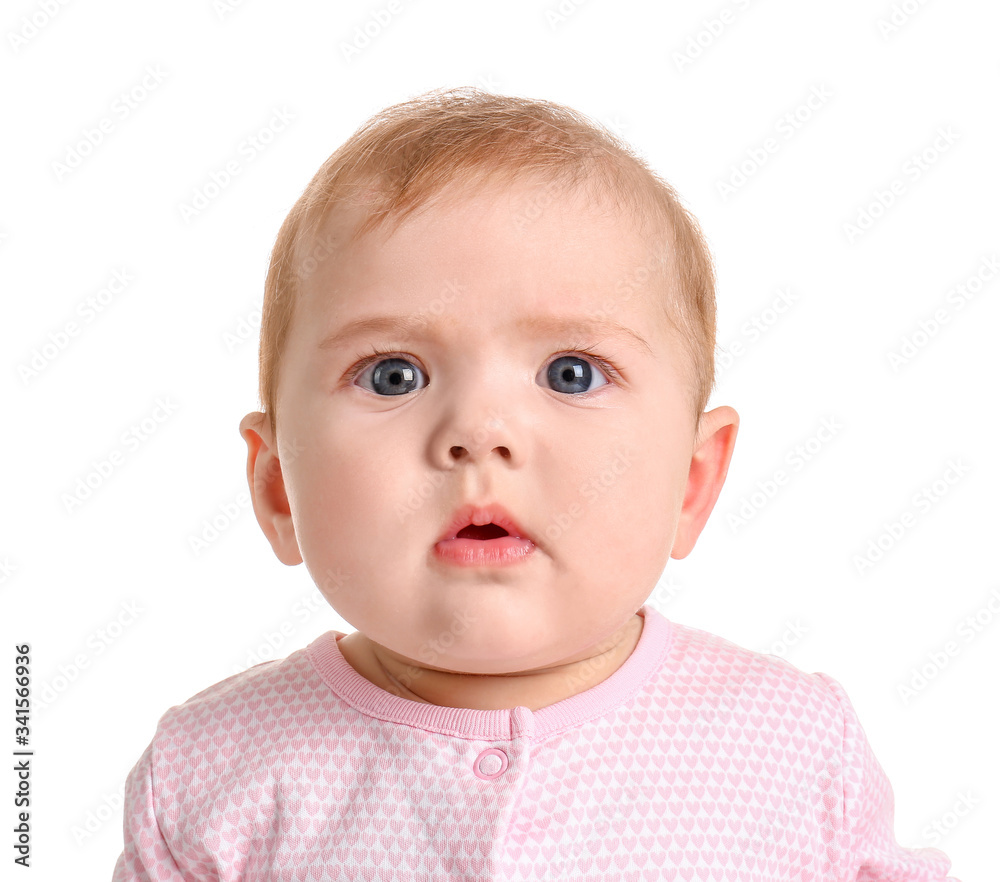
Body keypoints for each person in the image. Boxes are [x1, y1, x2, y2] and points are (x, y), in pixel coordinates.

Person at [113, 87, 958, 880]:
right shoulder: (211, 777)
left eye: (571, 372)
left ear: (693, 481)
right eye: (393, 376)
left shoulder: (792, 749)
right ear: (278, 490)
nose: (480, 431)